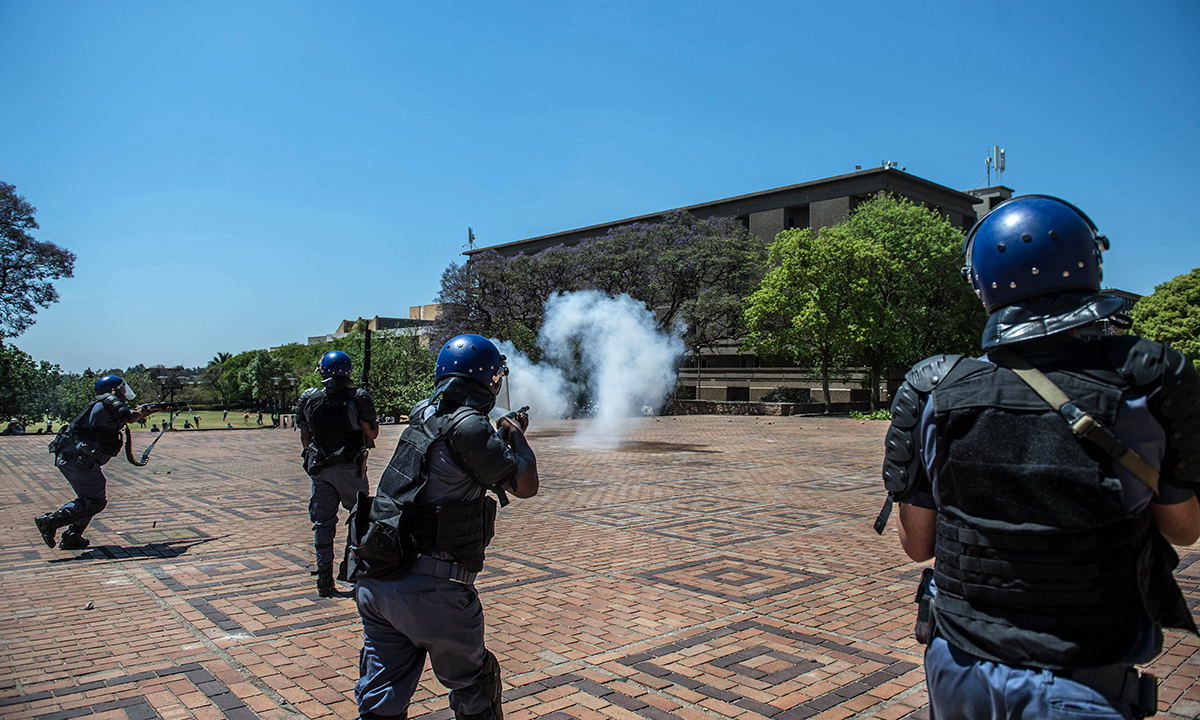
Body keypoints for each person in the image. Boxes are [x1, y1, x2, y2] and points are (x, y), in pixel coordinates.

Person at [879, 196, 1200, 720]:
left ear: (981, 284)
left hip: (960, 661)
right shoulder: (1146, 380)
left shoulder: (937, 388)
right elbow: (1184, 529)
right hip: (1084, 670)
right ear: (1092, 264)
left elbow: (918, 545)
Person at [354, 334, 539, 720]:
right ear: (491, 379)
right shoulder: (470, 427)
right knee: (476, 686)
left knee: (381, 699)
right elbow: (526, 486)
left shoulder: (424, 412)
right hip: (432, 589)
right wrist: (515, 436)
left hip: (378, 580)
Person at [34, 375, 163, 550]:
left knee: (89, 498)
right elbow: (129, 416)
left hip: (74, 457)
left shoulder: (102, 403)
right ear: (113, 391)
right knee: (95, 500)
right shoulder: (108, 402)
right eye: (121, 390)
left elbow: (127, 416)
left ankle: (73, 536)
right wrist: (149, 410)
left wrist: (149, 410)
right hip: (77, 459)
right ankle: (50, 522)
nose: (124, 394)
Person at [295, 350, 380, 596]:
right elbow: (372, 433)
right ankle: (349, 568)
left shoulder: (310, 397)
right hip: (350, 469)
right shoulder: (358, 397)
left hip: (320, 468)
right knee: (359, 518)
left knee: (323, 522)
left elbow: (305, 437)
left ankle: (324, 578)